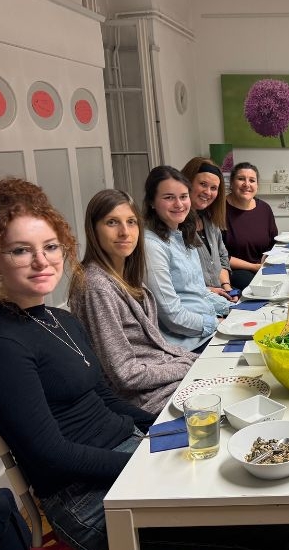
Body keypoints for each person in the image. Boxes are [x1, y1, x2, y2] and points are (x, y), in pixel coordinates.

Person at [0, 178, 289, 550]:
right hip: (89, 502)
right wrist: (143, 461)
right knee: (277, 531)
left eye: (50, 247)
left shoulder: (57, 321)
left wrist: (171, 428)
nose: (41, 261)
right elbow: (52, 457)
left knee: (273, 506)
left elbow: (106, 398)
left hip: (128, 450)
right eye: (20, 250)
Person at [69, 189, 198, 414]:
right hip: (148, 400)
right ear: (93, 229)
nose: (124, 232)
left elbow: (157, 346)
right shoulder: (96, 285)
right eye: (112, 222)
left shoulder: (125, 274)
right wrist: (188, 366)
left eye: (131, 222)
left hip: (166, 381)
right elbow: (125, 374)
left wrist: (196, 361)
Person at [143, 166, 231, 352]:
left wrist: (232, 308)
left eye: (183, 196)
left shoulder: (182, 234)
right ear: (152, 202)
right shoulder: (151, 245)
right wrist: (218, 323)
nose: (179, 204)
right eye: (169, 198)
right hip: (188, 343)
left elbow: (198, 291)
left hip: (205, 328)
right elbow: (172, 316)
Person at [180, 157, 236, 301]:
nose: (208, 192)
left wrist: (227, 288)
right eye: (203, 184)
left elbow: (223, 258)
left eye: (213, 188)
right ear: (187, 182)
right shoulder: (176, 225)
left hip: (220, 297)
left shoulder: (210, 221)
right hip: (196, 302)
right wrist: (209, 291)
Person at [224, 161, 278, 289]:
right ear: (231, 183)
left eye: (252, 180)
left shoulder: (264, 209)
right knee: (258, 289)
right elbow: (217, 255)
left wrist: (266, 262)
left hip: (261, 267)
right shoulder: (220, 210)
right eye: (241, 179)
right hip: (233, 271)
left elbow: (273, 244)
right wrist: (253, 267)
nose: (246, 184)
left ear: (257, 185)